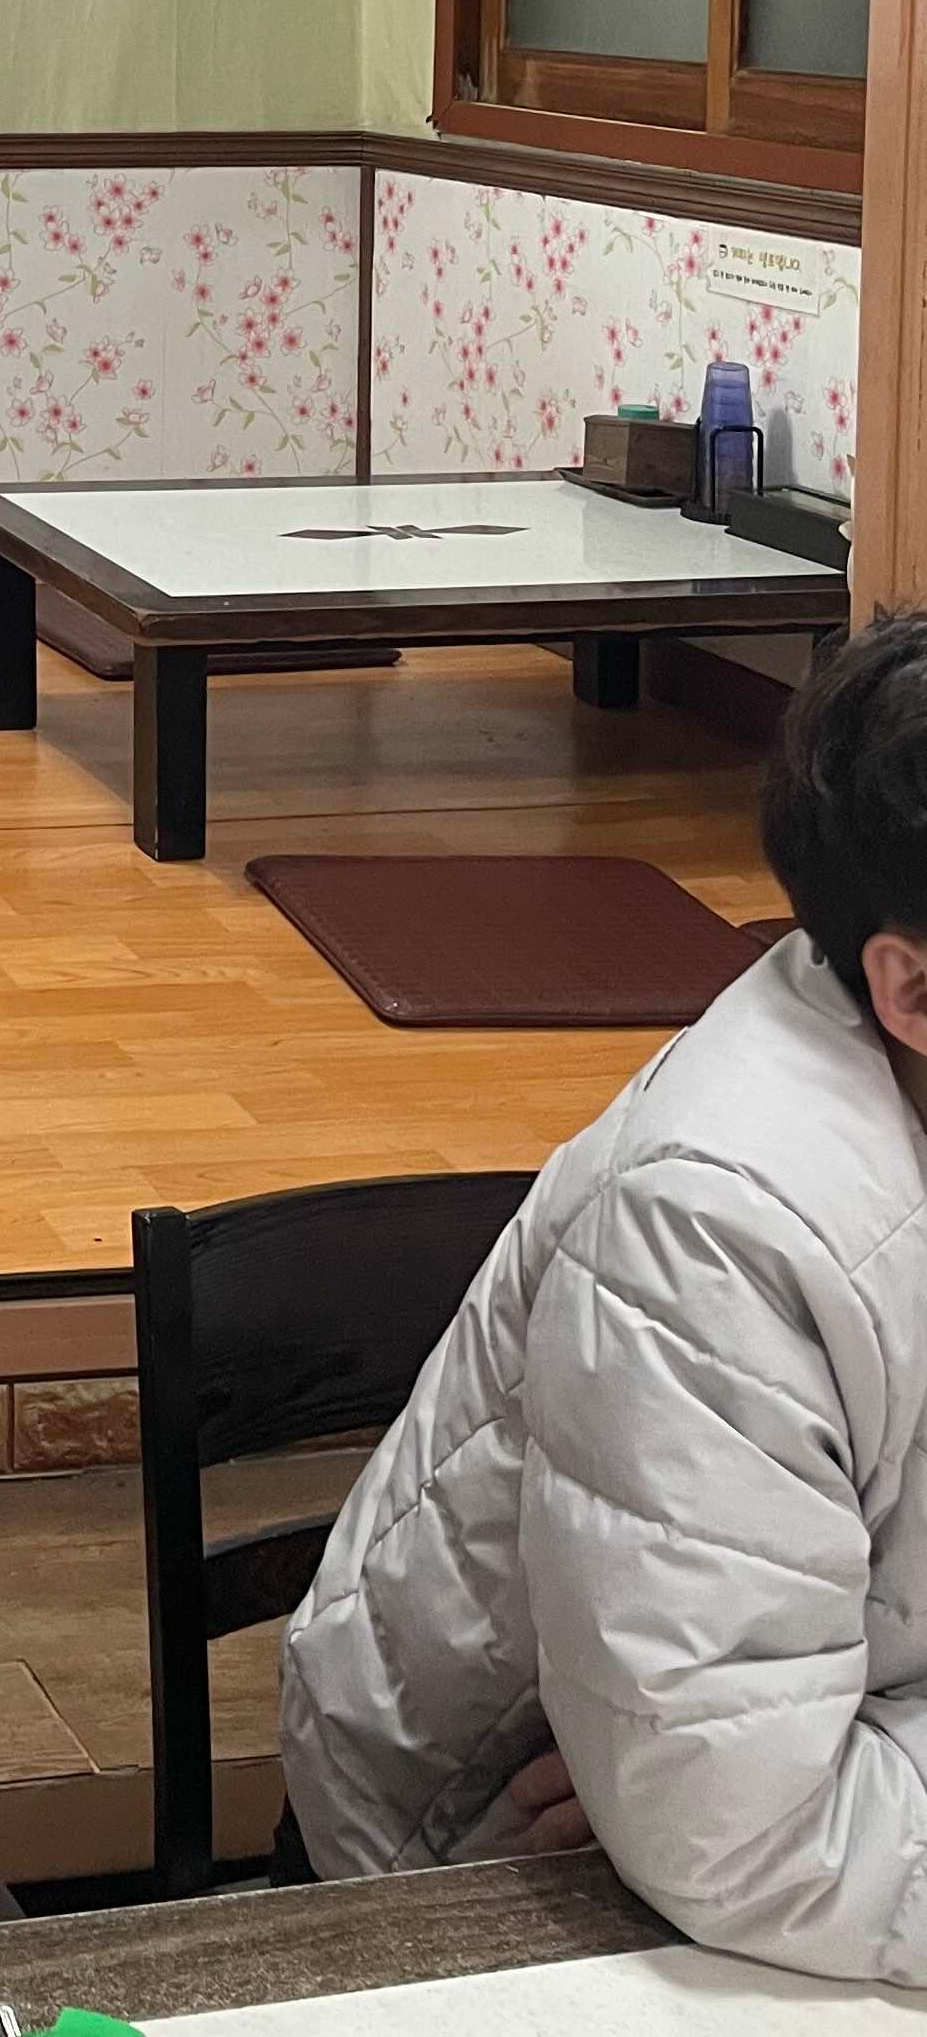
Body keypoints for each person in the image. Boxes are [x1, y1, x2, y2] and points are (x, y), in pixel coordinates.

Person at [281, 612, 927, 1973]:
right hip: (486, 1879)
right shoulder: (721, 1221)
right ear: (912, 990)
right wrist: (742, 1789)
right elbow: (755, 1840)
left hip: (780, 1791)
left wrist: (817, 1767)